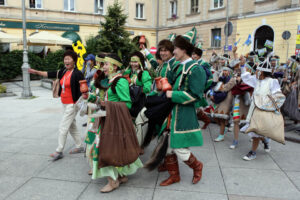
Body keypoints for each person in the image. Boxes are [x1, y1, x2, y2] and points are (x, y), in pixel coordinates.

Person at [87, 53, 143, 193]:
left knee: (108, 150)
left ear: (115, 66)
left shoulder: (120, 81)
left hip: (115, 123)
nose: (103, 67)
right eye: (104, 64)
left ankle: (113, 182)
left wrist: (107, 104)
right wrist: (91, 98)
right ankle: (122, 176)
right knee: (115, 149)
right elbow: (104, 100)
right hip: (107, 119)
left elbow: (127, 104)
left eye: (106, 64)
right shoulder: (110, 80)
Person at [159, 34, 206, 186]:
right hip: (173, 113)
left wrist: (173, 94)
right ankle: (174, 176)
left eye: (176, 48)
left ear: (184, 50)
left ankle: (197, 166)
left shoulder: (196, 69)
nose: (173, 52)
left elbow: (196, 95)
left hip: (184, 115)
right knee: (167, 146)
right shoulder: (181, 67)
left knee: (179, 148)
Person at [28, 50, 85, 161]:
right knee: (71, 126)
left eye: (69, 59)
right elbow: (49, 74)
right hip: (64, 103)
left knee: (63, 127)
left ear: (74, 60)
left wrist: (82, 98)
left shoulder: (78, 73)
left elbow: (83, 87)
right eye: (65, 59)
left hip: (72, 104)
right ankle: (79, 146)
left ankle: (59, 151)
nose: (66, 61)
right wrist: (35, 71)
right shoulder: (63, 71)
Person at [240, 59, 281, 160]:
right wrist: (242, 66)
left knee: (256, 132)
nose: (256, 72)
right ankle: (266, 140)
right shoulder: (256, 79)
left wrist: (271, 106)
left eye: (258, 70)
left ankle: (253, 152)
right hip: (254, 109)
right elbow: (246, 77)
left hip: (264, 111)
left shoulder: (272, 82)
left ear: (263, 72)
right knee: (256, 131)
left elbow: (278, 96)